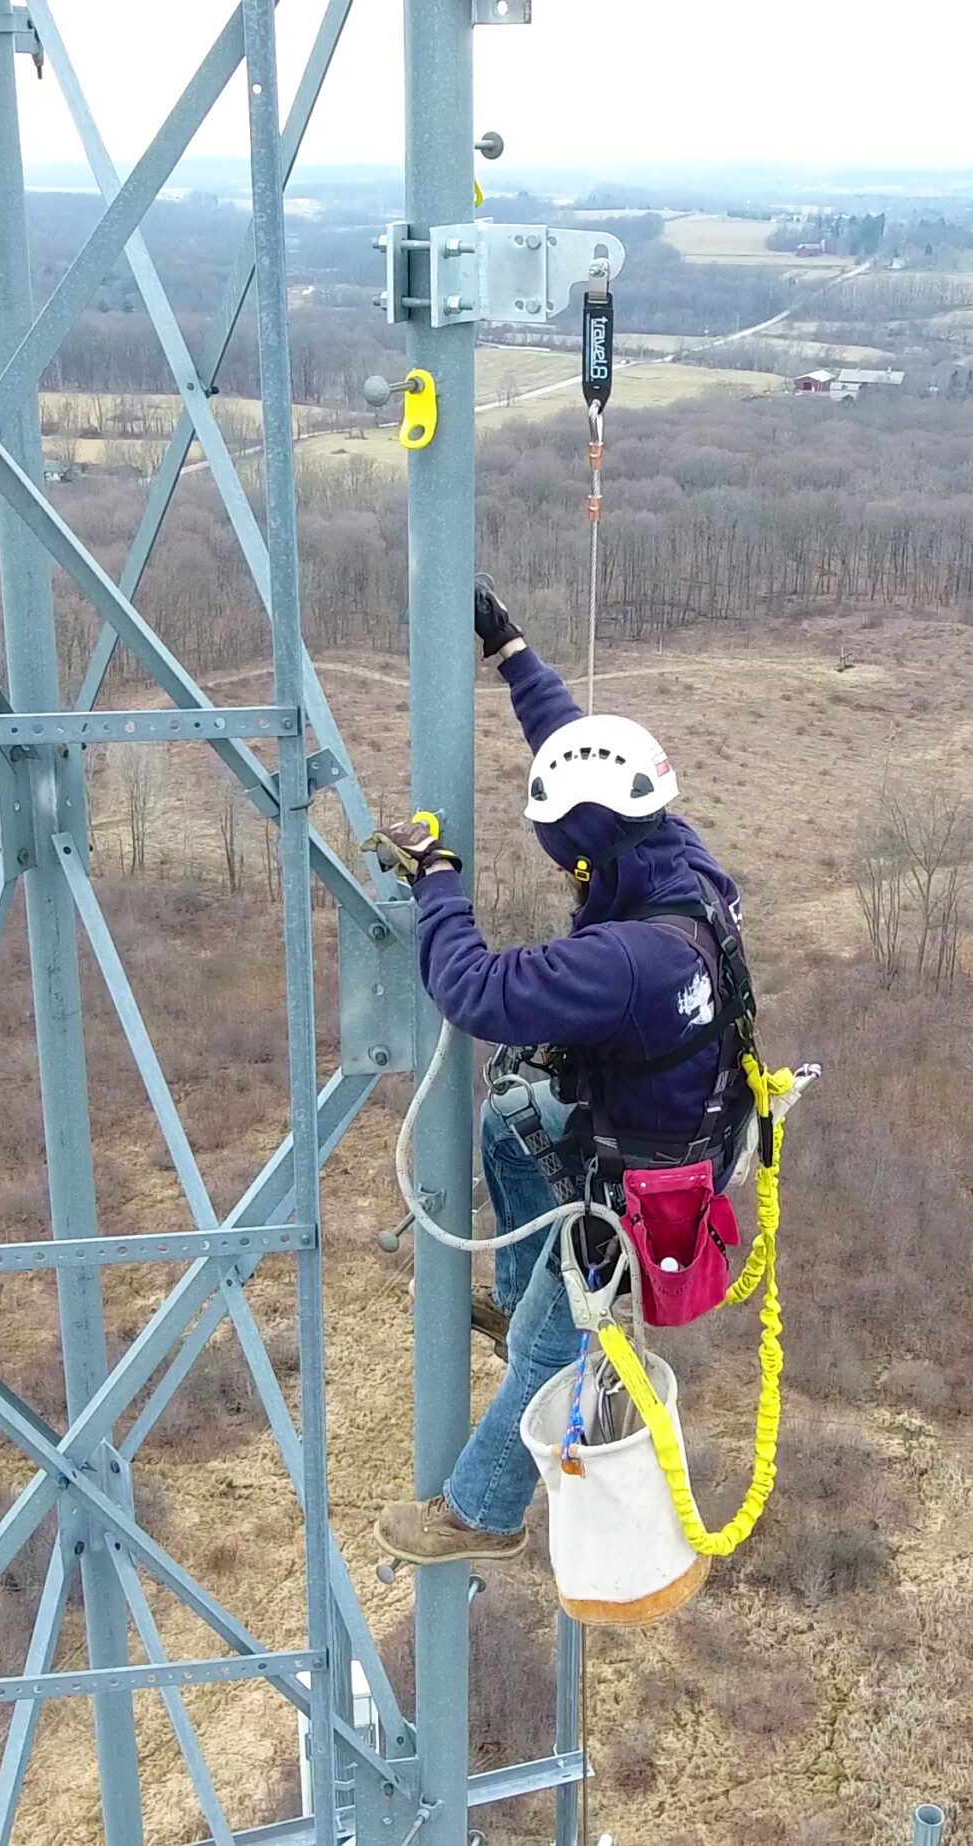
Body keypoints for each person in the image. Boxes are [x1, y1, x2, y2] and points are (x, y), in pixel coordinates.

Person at [368, 582, 755, 1566]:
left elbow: (474, 990)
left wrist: (437, 882)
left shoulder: (627, 962)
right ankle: (513, 1293)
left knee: (555, 1340)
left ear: (580, 853)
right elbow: (581, 754)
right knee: (510, 1117)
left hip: (637, 1191)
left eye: (562, 860)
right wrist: (511, 653)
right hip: (678, 1130)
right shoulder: (672, 855)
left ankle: (481, 1514)